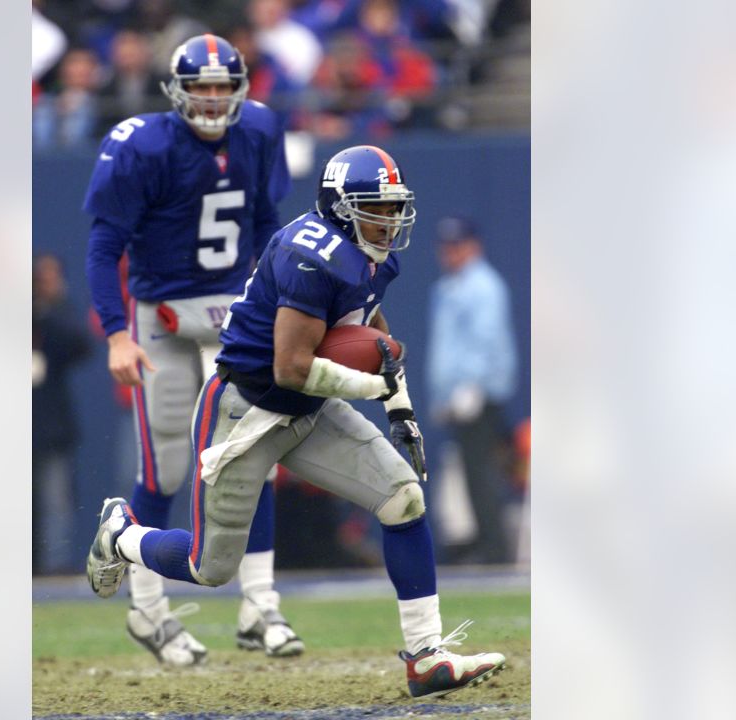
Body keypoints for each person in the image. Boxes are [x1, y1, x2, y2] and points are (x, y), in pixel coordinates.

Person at [87, 145, 507, 698]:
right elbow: (290, 367)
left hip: (308, 409)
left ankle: (425, 657)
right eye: (375, 208)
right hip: (246, 410)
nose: (388, 220)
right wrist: (372, 388)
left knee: (403, 497)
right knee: (208, 566)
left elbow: (371, 330)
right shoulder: (309, 254)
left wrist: (398, 404)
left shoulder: (375, 255)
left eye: (392, 206)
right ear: (339, 207)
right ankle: (122, 535)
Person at [84, 34, 301, 667]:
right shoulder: (141, 145)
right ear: (176, 92)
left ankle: (260, 603)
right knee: (167, 471)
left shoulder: (259, 130)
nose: (211, 99)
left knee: (252, 455)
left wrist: (276, 296)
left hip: (236, 313)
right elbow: (104, 248)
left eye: (222, 86)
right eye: (200, 87)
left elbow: (265, 221)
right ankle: (148, 612)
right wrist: (116, 332)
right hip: (163, 318)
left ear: (240, 90)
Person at [426, 216, 519, 564]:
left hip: (480, 396)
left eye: (458, 246)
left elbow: (485, 340)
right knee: (468, 475)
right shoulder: (449, 287)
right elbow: (447, 348)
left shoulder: (483, 285)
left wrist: (471, 387)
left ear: (474, 246)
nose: (451, 253)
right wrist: (443, 394)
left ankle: (496, 551)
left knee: (481, 475)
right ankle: (485, 543)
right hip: (457, 397)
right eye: (446, 247)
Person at [32, 254, 92, 574]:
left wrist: (46, 310)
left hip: (51, 426)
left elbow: (81, 345)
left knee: (56, 501)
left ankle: (54, 568)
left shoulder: (59, 315)